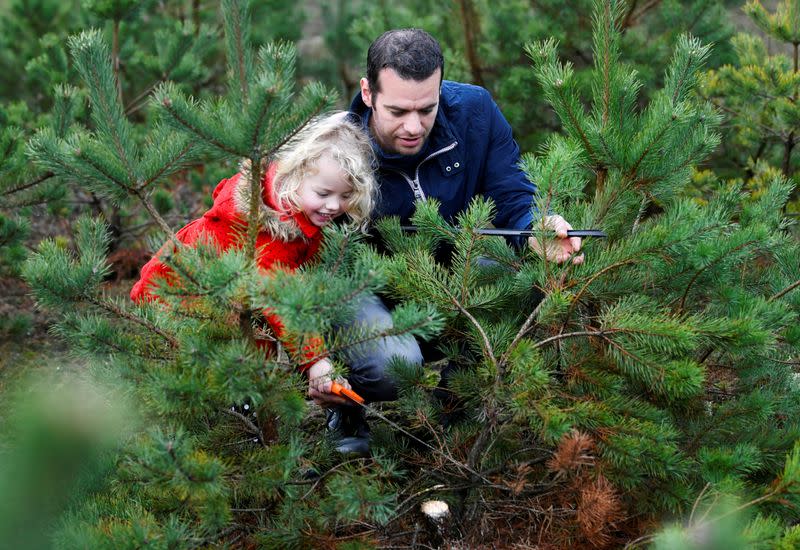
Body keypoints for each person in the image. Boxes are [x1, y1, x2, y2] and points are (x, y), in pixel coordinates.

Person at [315, 28, 587, 448]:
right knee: (393, 366)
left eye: (427, 108)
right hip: (368, 290)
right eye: (398, 110)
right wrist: (316, 357)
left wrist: (537, 229)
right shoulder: (336, 147)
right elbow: (312, 255)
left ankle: (452, 403)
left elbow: (512, 192)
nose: (414, 125)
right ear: (368, 93)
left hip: (453, 276)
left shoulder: (474, 112)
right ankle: (349, 410)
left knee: (524, 272)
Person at [130, 112, 379, 413]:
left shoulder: (290, 207)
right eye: (324, 193)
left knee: (249, 350)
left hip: (230, 302)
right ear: (293, 176)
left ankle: (241, 410)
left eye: (346, 196)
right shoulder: (271, 233)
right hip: (181, 298)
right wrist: (315, 361)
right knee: (223, 368)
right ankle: (227, 416)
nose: (334, 206)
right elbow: (279, 300)